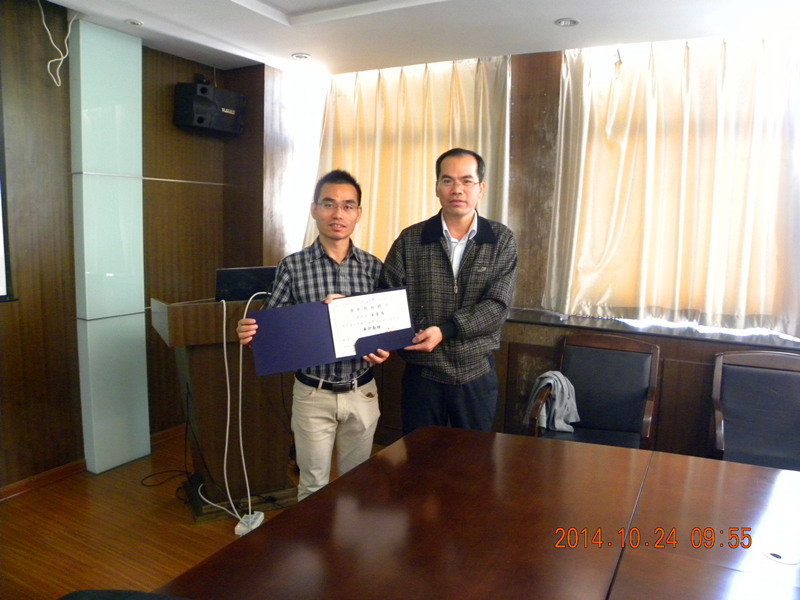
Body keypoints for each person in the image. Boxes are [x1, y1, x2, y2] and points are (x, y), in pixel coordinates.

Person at [237, 169, 388, 501]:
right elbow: (271, 331)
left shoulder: (374, 267)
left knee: (357, 485)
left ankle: (348, 537)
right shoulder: (292, 266)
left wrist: (382, 348)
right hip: (312, 393)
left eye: (348, 206)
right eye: (329, 204)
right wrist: (251, 331)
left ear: (359, 213)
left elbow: (384, 327)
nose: (338, 214)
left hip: (362, 391)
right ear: (314, 210)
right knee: (312, 486)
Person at [380, 148, 518, 434]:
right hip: (423, 373)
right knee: (420, 455)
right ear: (436, 188)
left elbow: (497, 306)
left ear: (481, 188)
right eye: (448, 180)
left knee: (474, 457)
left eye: (467, 181)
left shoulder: (500, 239)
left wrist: (446, 330)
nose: (457, 189)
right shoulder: (411, 239)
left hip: (476, 373)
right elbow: (387, 297)